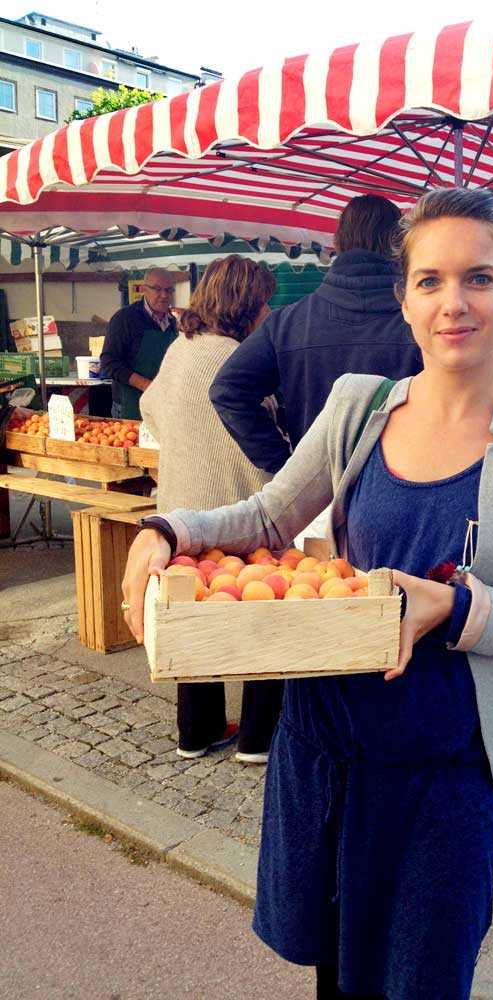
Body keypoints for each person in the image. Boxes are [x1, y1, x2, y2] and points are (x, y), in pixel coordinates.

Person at [121, 187, 493, 1000]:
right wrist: (170, 529)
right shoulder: (359, 406)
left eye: (479, 279)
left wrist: (458, 607)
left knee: (424, 976)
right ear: (404, 299)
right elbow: (269, 513)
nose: (454, 303)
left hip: (446, 773)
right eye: (431, 281)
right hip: (327, 751)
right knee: (337, 976)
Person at [140, 256, 282, 764]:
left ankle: (195, 732)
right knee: (262, 611)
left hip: (180, 507)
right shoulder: (236, 357)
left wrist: (185, 443)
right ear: (245, 306)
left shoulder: (183, 346)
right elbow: (260, 433)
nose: (268, 313)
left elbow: (149, 405)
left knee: (195, 616)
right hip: (233, 506)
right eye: (264, 303)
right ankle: (259, 737)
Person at [209, 194, 423, 475]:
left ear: (338, 243)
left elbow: (227, 390)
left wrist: (287, 468)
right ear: (399, 246)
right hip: (406, 494)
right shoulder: (423, 324)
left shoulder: (287, 322)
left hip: (318, 503)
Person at [101, 268, 178, 419]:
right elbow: (109, 362)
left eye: (169, 290)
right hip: (129, 405)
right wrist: (146, 385)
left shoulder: (173, 323)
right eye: (157, 289)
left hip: (161, 404)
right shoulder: (125, 318)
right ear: (143, 289)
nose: (164, 295)